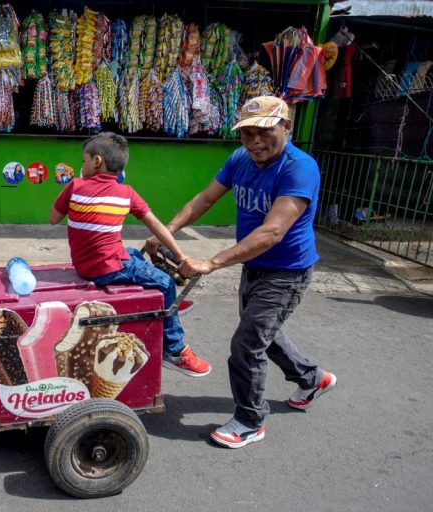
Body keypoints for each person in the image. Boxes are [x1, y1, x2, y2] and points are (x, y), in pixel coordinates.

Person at [145, 96, 336, 448]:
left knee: (247, 344)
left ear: (287, 128)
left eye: (263, 132)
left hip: (287, 272)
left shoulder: (299, 168)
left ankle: (249, 421)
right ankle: (312, 378)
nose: (254, 142)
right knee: (264, 334)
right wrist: (167, 233)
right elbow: (204, 199)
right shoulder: (241, 159)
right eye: (246, 134)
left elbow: (272, 231)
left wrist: (212, 262)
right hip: (255, 267)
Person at [50, 132, 211, 377]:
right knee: (167, 283)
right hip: (106, 269)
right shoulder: (126, 193)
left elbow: (53, 219)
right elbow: (156, 225)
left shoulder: (75, 186)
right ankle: (175, 350)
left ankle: (166, 306)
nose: (82, 167)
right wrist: (181, 257)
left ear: (96, 161)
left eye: (83, 161)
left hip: (88, 264)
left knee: (135, 253)